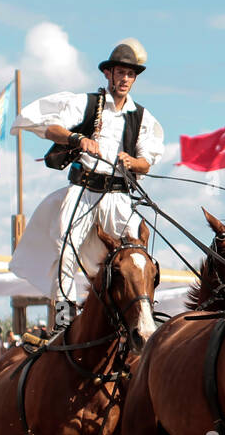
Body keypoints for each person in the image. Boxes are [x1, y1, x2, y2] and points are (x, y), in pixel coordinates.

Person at [9, 39, 165, 332]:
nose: (125, 79)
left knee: (137, 257)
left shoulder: (142, 117)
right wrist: (78, 139)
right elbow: (52, 128)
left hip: (118, 196)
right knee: (65, 252)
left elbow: (147, 161)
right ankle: (63, 326)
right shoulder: (88, 103)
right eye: (120, 72)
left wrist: (133, 162)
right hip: (83, 191)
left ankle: (139, 320)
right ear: (109, 74)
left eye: (130, 75)